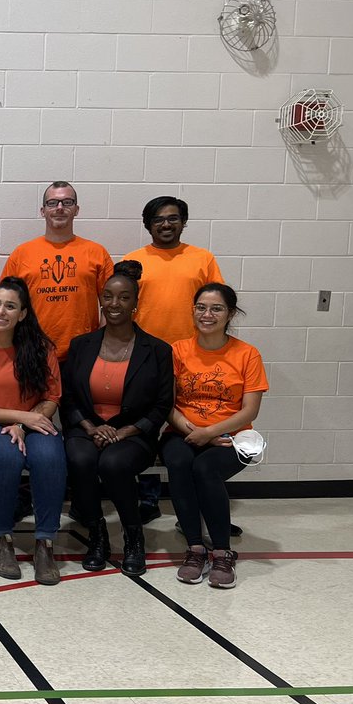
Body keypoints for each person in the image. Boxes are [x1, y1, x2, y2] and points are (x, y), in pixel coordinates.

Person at [61, 261, 173, 576]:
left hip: (134, 434)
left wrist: (123, 432)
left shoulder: (158, 350)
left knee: (113, 463)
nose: (114, 304)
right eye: (108, 296)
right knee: (81, 459)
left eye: (124, 298)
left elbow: (163, 405)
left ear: (136, 303)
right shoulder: (81, 345)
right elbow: (67, 397)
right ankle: (97, 536)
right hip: (86, 429)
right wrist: (91, 427)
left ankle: (133, 537)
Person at [0, 278, 66, 585]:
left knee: (50, 456)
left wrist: (23, 423)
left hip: (32, 422)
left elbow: (51, 398)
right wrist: (20, 418)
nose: (0, 311)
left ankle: (45, 543)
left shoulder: (41, 350)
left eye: (10, 306)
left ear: (23, 314)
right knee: (6, 456)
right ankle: (2, 539)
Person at [125, 196, 226, 525]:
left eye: (172, 218)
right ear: (147, 224)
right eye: (158, 219)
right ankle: (149, 497)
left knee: (191, 423)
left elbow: (217, 304)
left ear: (183, 222)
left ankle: (197, 504)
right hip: (145, 356)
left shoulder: (202, 259)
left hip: (192, 356)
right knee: (149, 425)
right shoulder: (133, 261)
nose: (165, 224)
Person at [164, 284, 267, 590]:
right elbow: (167, 406)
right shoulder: (177, 350)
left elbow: (250, 411)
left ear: (230, 314)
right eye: (201, 308)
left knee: (205, 469)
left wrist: (210, 433)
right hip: (181, 432)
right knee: (180, 463)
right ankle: (195, 549)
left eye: (216, 309)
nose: (207, 315)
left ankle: (222, 553)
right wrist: (194, 432)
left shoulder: (247, 354)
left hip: (231, 438)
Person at [0, 182, 113, 360]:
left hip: (83, 353)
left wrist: (101, 342)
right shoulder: (21, 254)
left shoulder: (97, 253)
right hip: (34, 352)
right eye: (52, 203)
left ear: (76, 209)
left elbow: (110, 304)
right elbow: (5, 305)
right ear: (43, 211)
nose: (60, 208)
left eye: (67, 202)